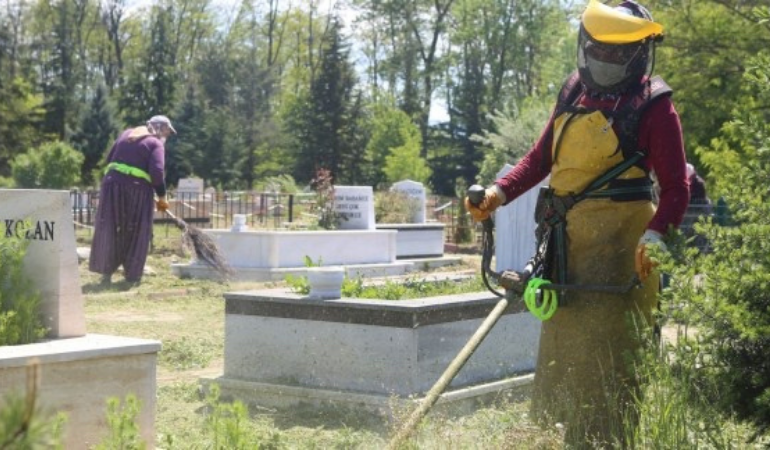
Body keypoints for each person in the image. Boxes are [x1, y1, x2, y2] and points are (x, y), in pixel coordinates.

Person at [465, 1, 689, 446]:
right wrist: (497, 193)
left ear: (640, 52)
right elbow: (539, 158)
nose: (606, 60)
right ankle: (553, 439)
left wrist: (655, 235)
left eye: (617, 52)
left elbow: (677, 188)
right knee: (560, 361)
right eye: (600, 50)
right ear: (586, 46)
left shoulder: (655, 107)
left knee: (608, 368)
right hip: (566, 251)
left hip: (623, 255)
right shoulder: (573, 92)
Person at [89, 115, 176, 286]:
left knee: (111, 228)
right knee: (137, 230)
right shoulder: (155, 143)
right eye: (166, 132)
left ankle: (106, 273)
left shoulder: (126, 134)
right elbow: (157, 174)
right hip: (136, 190)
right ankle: (132, 276)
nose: (166, 136)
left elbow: (109, 159)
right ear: (158, 127)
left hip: (111, 186)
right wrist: (162, 198)